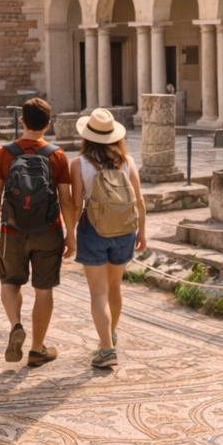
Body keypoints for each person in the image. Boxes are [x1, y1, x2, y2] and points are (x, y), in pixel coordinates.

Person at [0, 97, 76, 368]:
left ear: (21, 120)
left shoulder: (4, 153)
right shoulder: (57, 155)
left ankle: (16, 324)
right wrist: (70, 234)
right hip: (48, 230)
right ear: (48, 124)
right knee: (43, 289)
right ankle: (37, 350)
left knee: (10, 281)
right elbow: (66, 199)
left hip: (11, 230)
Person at [71, 108, 148, 369]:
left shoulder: (79, 163)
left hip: (93, 229)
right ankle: (110, 336)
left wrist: (69, 236)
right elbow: (139, 200)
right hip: (125, 229)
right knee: (114, 288)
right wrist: (142, 232)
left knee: (98, 292)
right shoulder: (127, 161)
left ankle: (106, 349)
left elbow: (75, 203)